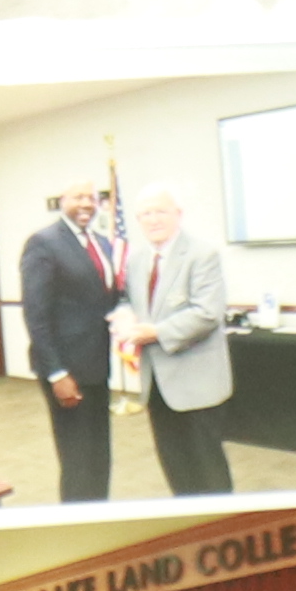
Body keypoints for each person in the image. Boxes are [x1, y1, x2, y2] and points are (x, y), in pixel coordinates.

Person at [113, 186, 241, 495]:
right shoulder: (137, 260)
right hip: (156, 383)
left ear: (178, 215)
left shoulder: (202, 254)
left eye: (160, 211)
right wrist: (125, 316)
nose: (153, 219)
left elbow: (208, 313)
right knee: (174, 464)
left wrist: (154, 332)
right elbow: (129, 301)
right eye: (145, 214)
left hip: (196, 384)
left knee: (207, 468)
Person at [17, 182, 124, 504]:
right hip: (67, 370)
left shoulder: (102, 243)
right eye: (78, 197)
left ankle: (99, 513)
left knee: (99, 454)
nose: (86, 204)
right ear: (61, 201)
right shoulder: (44, 243)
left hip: (97, 365)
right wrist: (56, 372)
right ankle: (76, 519)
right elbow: (36, 313)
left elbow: (109, 297)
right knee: (77, 458)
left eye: (91, 198)